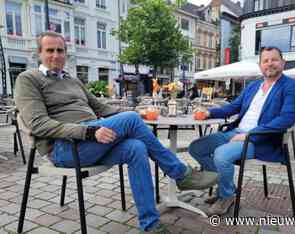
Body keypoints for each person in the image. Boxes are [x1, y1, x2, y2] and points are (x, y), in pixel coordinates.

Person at [14, 31, 218, 233]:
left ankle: (150, 224)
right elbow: (39, 124)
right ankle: (180, 174)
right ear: (39, 53)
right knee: (131, 121)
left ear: (66, 53)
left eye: (60, 50)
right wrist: (89, 132)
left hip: (92, 142)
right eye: (50, 50)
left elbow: (101, 108)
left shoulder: (73, 81)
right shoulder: (28, 79)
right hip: (65, 149)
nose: (56, 55)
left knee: (136, 147)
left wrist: (136, 113)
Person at [189, 46, 295, 216]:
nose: (269, 64)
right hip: (236, 132)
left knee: (221, 154)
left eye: (274, 60)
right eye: (265, 61)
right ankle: (225, 188)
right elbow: (234, 107)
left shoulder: (292, 86)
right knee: (197, 148)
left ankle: (227, 196)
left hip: (261, 140)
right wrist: (209, 113)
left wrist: (250, 134)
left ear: (283, 63)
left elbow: (286, 118)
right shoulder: (253, 86)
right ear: (260, 65)